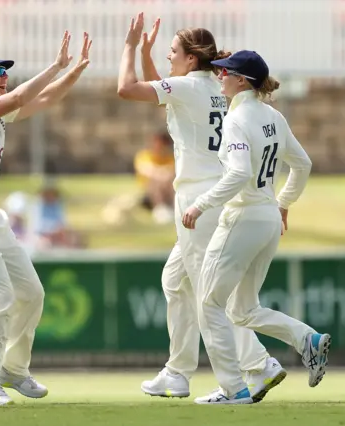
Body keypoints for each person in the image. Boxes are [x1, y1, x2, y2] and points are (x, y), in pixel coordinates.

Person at [118, 13, 284, 402]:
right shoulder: (215, 85)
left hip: (197, 200)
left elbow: (127, 89)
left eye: (172, 52)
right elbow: (163, 91)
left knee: (209, 296)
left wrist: (128, 46)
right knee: (175, 282)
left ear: (191, 59)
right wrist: (146, 55)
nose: (168, 57)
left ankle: (254, 368)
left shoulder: (190, 88)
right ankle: (177, 371)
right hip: (218, 195)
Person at [0, 31, 92, 406]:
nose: (3, 75)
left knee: (31, 293)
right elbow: (20, 96)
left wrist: (72, 73)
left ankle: (13, 369)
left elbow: (42, 99)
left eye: (4, 71)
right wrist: (55, 65)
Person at [182, 50, 331, 404]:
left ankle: (234, 389)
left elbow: (239, 174)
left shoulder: (236, 119)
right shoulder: (273, 116)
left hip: (244, 217)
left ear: (241, 81)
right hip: (266, 218)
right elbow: (303, 164)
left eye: (225, 73)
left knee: (209, 304)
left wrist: (200, 204)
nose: (219, 77)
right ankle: (306, 339)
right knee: (242, 310)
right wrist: (282, 204)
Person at [134, 131, 175, 224]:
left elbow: (172, 172)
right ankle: (159, 208)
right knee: (155, 180)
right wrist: (161, 174)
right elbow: (146, 170)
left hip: (167, 190)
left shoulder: (170, 157)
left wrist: (163, 174)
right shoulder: (144, 155)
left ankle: (173, 207)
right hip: (149, 193)